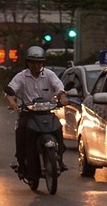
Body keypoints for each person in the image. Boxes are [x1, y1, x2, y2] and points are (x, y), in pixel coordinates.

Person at [5, 46, 69, 175]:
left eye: (39, 62)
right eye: (32, 62)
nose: (36, 65)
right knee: (21, 131)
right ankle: (21, 162)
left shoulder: (50, 75)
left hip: (47, 113)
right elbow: (10, 91)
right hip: (28, 114)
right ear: (27, 63)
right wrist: (12, 102)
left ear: (43, 63)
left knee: (58, 128)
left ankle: (59, 159)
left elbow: (59, 87)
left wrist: (63, 98)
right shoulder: (21, 77)